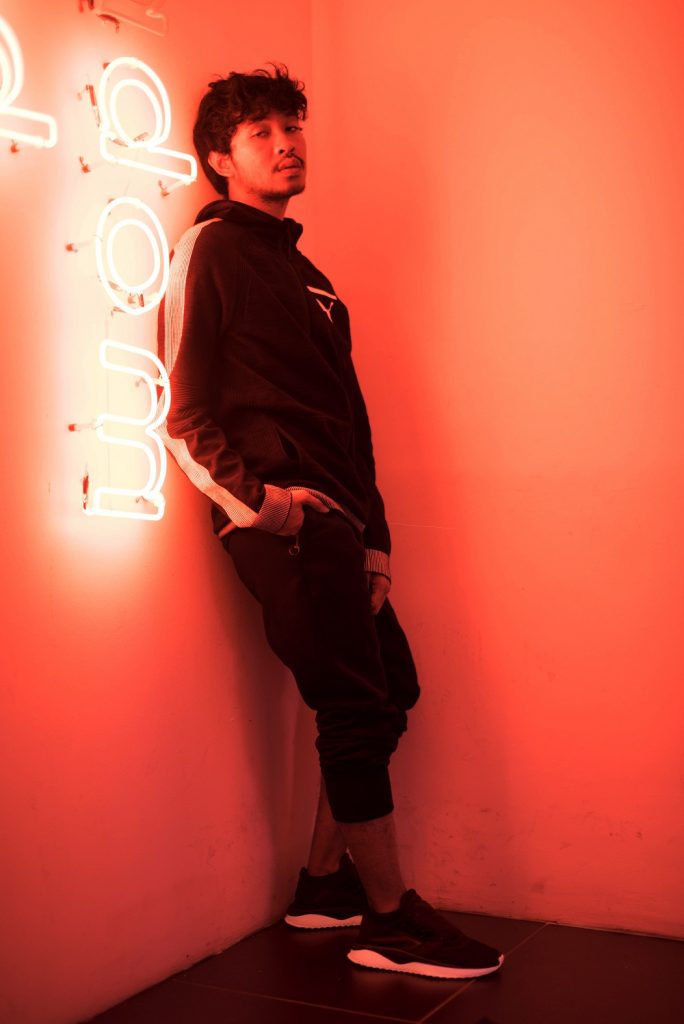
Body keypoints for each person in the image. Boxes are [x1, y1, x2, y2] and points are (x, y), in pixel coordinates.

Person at [158, 63, 503, 980]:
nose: (287, 144)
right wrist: (266, 507)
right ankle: (390, 921)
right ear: (219, 158)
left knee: (391, 690)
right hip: (285, 523)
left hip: (344, 526)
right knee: (353, 703)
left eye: (293, 127)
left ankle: (322, 886)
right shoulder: (211, 249)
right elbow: (182, 415)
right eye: (263, 132)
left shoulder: (313, 279)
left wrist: (376, 538)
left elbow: (352, 421)